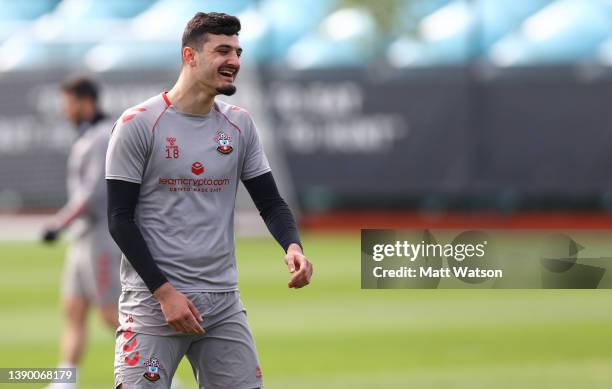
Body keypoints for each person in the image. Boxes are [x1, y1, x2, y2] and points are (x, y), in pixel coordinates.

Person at [105, 12, 313, 389]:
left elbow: (271, 203)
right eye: (222, 50)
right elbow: (120, 218)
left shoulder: (239, 125)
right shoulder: (138, 123)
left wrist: (292, 245)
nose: (234, 61)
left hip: (222, 303)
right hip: (154, 304)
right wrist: (165, 294)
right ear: (190, 56)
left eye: (237, 51)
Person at [42, 77, 122, 389]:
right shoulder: (89, 135)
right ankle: (65, 381)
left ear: (86, 102)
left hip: (101, 237)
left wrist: (58, 223)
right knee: (74, 308)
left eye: (68, 104)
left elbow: (92, 193)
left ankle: (159, 374)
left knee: (110, 314)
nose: (65, 112)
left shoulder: (103, 136)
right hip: (82, 237)